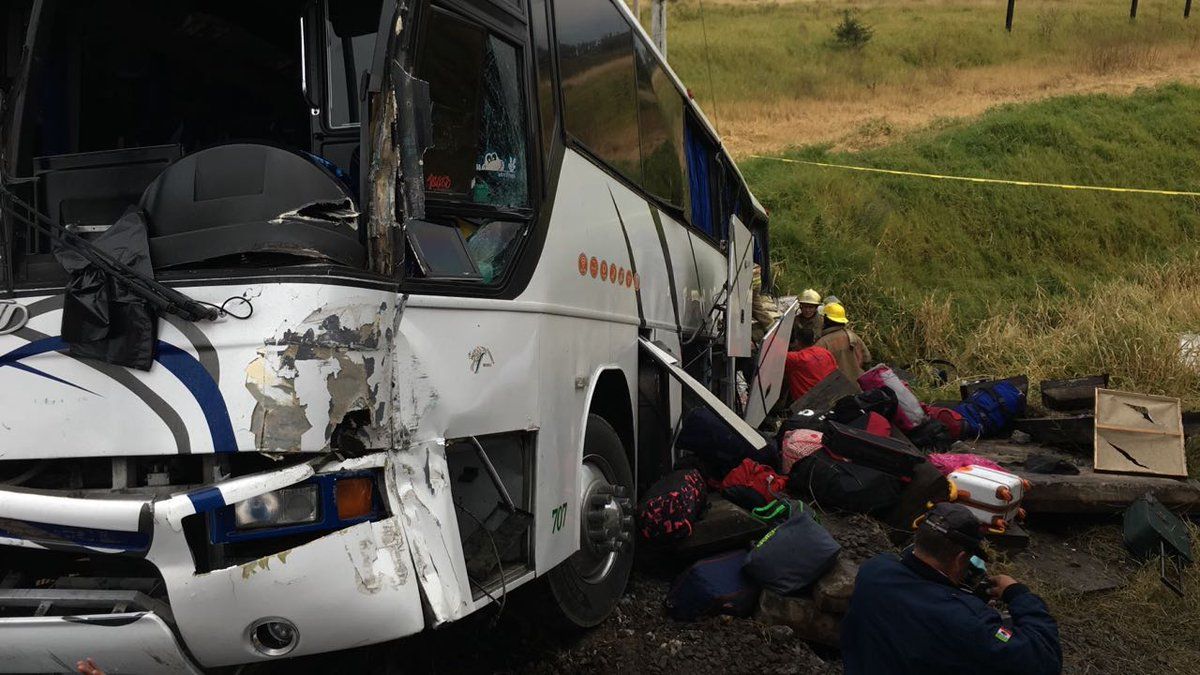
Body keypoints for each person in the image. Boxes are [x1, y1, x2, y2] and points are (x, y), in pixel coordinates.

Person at [841, 503, 1062, 675]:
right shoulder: (966, 621)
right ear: (960, 559)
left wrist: (962, 596)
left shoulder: (874, 571)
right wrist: (1018, 594)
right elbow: (1043, 660)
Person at [813, 302, 871, 380]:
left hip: (837, 388)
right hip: (858, 385)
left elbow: (813, 369)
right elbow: (867, 359)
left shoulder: (822, 343)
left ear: (826, 320)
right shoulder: (853, 336)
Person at [784, 327, 837, 400]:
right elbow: (836, 372)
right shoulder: (825, 352)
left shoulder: (796, 358)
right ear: (813, 339)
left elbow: (775, 350)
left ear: (796, 341)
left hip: (808, 403)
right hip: (830, 396)